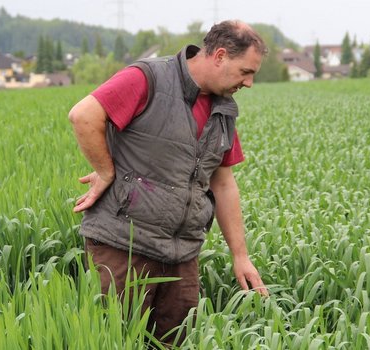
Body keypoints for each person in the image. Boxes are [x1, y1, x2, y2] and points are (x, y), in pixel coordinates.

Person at [68, 20, 269, 342]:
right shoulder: (148, 77)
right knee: (116, 339)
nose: (249, 83)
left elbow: (223, 183)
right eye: (246, 72)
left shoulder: (223, 111)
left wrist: (240, 255)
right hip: (125, 246)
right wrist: (107, 171)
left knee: (174, 341)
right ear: (219, 55)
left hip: (181, 254)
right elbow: (84, 115)